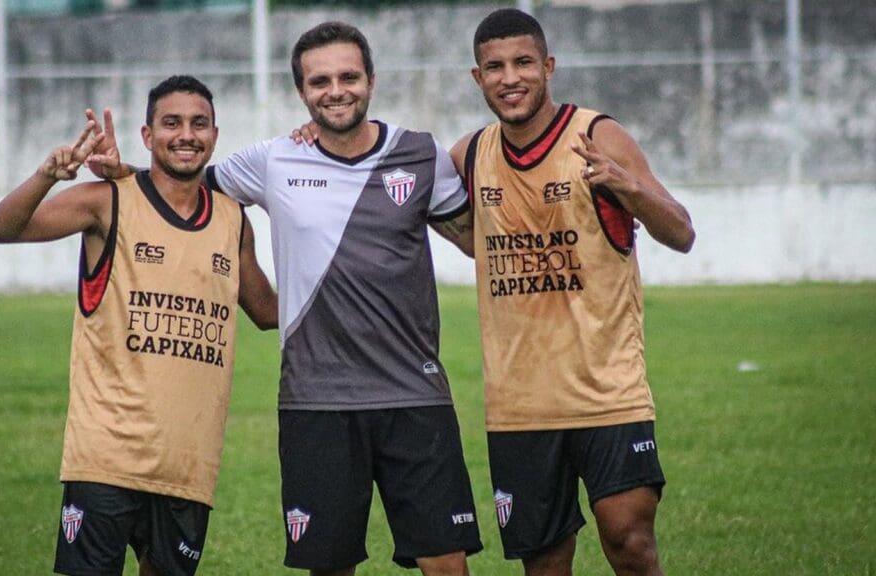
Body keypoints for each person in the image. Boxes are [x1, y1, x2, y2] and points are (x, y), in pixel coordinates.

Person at [86, 22, 482, 576]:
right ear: (302, 91)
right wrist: (121, 172)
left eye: (348, 76)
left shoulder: (420, 155)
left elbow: (478, 241)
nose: (336, 90)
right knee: (328, 566)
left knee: (447, 566)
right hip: (315, 400)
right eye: (320, 81)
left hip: (414, 395)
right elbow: (182, 183)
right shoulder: (274, 160)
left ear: (371, 80)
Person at [0, 75, 277, 576]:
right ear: (147, 135)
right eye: (172, 123)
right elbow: (2, 229)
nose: (186, 134)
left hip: (187, 463)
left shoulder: (234, 221)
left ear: (215, 134)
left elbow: (269, 313)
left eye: (198, 123)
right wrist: (47, 176)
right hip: (105, 457)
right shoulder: (107, 200)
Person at [449, 8, 696, 576]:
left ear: (549, 66)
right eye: (495, 67)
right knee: (544, 561)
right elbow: (418, 200)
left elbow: (681, 232)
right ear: (477, 77)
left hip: (607, 393)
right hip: (519, 406)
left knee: (628, 541)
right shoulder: (469, 156)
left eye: (524, 63)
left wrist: (628, 185)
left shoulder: (596, 136)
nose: (510, 78)